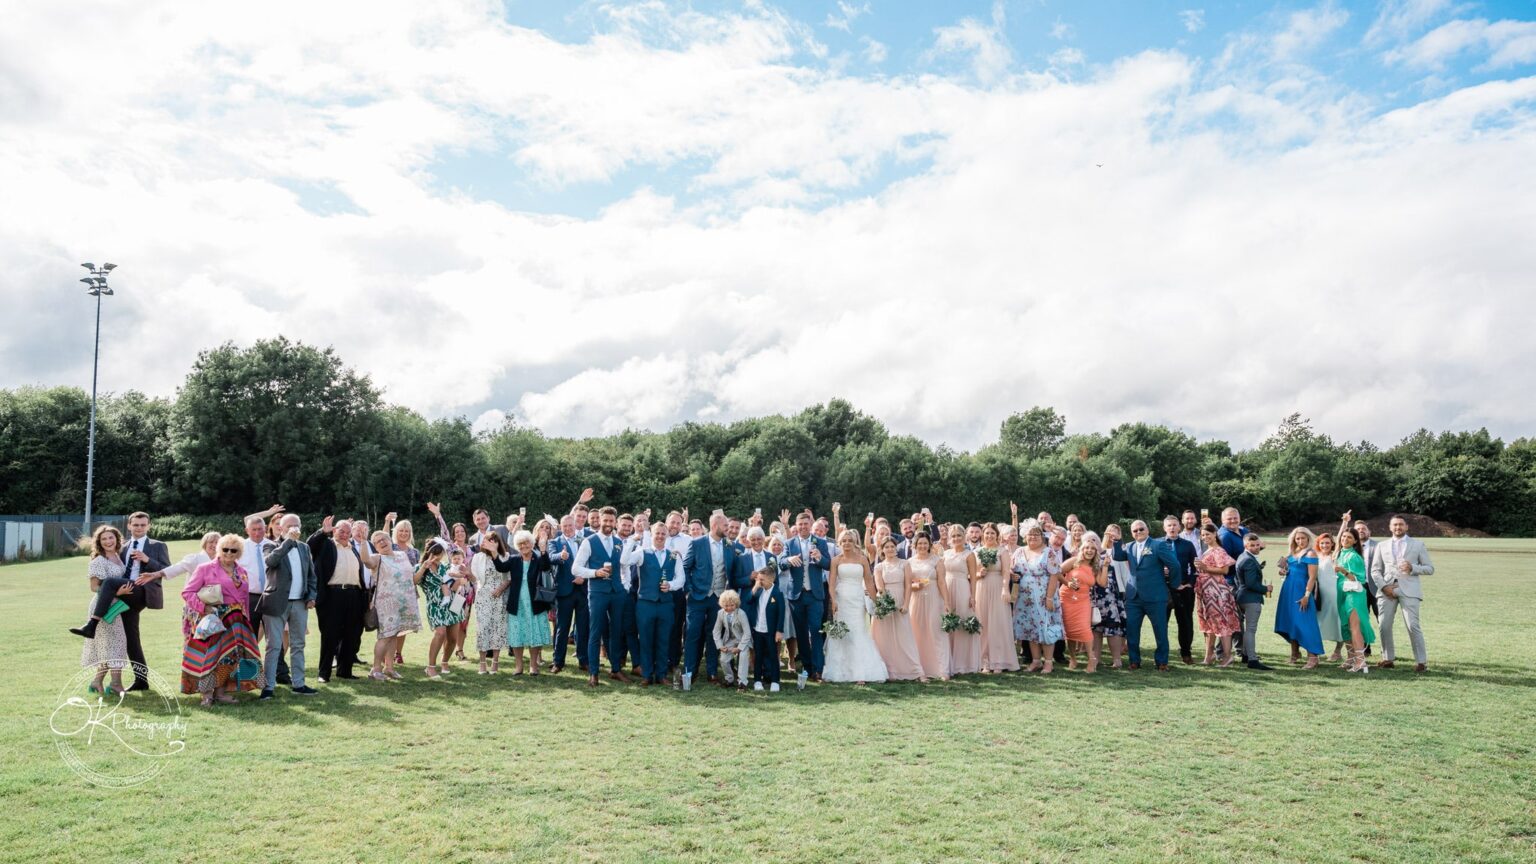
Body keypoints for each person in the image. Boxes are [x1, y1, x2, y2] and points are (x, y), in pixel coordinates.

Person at [68, 512, 172, 691]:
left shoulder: (157, 545)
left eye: (143, 525)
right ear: (129, 526)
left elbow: (167, 570)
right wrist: (117, 591)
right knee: (129, 639)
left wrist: (147, 560)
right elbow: (105, 573)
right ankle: (140, 680)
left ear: (148, 526)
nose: (139, 528)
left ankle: (91, 624)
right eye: (136, 525)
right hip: (121, 596)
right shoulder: (122, 547)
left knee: (109, 583)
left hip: (141, 590)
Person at [180, 535, 260, 706]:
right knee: (209, 657)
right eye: (225, 549)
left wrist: (246, 618)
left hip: (236, 621)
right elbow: (187, 593)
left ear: (239, 553)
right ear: (219, 549)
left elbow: (244, 598)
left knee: (229, 658)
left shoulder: (242, 572)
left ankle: (221, 693)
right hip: (212, 619)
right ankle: (207, 695)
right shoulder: (205, 568)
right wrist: (204, 608)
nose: (229, 553)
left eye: (234, 550)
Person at [257, 515, 320, 697]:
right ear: (281, 528)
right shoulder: (271, 545)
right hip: (276, 602)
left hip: (300, 602)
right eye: (289, 525)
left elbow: (311, 576)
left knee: (299, 644)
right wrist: (288, 542)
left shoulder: (304, 547)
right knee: (273, 645)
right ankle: (268, 687)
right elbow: (271, 562)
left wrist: (311, 596)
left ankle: (299, 684)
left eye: (296, 525)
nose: (293, 528)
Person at [1110, 519, 1182, 670]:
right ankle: (1134, 661)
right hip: (1133, 597)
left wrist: (1174, 585)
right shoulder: (1129, 546)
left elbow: (1174, 565)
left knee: (1160, 630)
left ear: (1147, 530)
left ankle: (1162, 662)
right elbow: (1117, 556)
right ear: (1132, 533)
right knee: (1132, 631)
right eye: (1135, 531)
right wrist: (1117, 540)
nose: (1138, 532)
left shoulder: (1158, 545)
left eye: (1141, 529)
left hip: (1155, 596)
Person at [681, 512, 739, 691]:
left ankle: (712, 672)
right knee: (692, 635)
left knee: (715, 636)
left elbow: (732, 571)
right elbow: (686, 566)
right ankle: (689, 671)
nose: (728, 530)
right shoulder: (697, 543)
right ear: (715, 526)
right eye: (725, 527)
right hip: (697, 597)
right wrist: (689, 589)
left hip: (718, 599)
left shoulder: (729, 546)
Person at [1369, 515, 1435, 672]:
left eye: (1400, 525)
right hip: (1387, 589)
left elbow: (1430, 568)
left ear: (1406, 527)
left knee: (1413, 625)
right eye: (1395, 525)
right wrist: (1384, 587)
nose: (1397, 527)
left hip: (1409, 589)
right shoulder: (1382, 546)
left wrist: (1413, 568)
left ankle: (1421, 662)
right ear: (1390, 527)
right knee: (1384, 625)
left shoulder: (1418, 544)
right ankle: (1387, 659)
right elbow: (1375, 570)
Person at [822, 529, 888, 685]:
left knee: (858, 632)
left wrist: (875, 601)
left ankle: (861, 672)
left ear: (854, 543)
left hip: (858, 599)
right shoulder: (836, 560)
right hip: (841, 599)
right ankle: (841, 671)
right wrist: (833, 601)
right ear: (839, 543)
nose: (846, 543)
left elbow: (869, 581)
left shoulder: (862, 559)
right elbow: (831, 584)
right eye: (843, 541)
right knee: (843, 634)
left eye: (849, 540)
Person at [574, 506, 630, 687]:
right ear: (598, 520)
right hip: (597, 593)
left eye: (611, 521)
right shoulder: (589, 542)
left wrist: (625, 586)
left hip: (617, 593)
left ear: (615, 522)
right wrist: (595, 572)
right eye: (605, 520)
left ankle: (615, 669)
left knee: (616, 632)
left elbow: (624, 566)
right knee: (595, 632)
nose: (607, 524)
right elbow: (575, 568)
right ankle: (594, 673)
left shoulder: (619, 542)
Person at [355, 528, 420, 682]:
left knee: (394, 635)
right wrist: (364, 542)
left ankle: (389, 668)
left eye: (384, 539)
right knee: (385, 636)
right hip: (386, 603)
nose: (382, 542)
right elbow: (365, 560)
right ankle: (375, 669)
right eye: (377, 541)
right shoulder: (377, 558)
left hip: (402, 603)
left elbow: (410, 577)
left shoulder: (402, 555)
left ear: (391, 541)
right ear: (375, 546)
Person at [623, 522, 683, 686]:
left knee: (664, 640)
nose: (660, 536)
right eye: (657, 533)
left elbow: (681, 578)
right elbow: (624, 560)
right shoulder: (642, 552)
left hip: (665, 604)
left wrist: (671, 585)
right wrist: (632, 541)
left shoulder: (673, 555)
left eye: (663, 533)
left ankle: (662, 675)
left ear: (667, 536)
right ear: (652, 534)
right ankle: (647, 675)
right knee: (646, 639)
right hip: (645, 604)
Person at [309, 517, 367, 683]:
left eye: (348, 532)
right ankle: (324, 673)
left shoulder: (353, 549)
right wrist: (323, 531)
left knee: (352, 634)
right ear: (334, 531)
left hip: (354, 594)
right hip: (332, 595)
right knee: (330, 635)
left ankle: (345, 671)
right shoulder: (326, 545)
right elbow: (310, 544)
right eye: (341, 531)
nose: (345, 535)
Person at [77, 525, 130, 696]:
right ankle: (115, 684)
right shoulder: (98, 560)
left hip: (116, 606)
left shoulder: (118, 557)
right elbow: (94, 587)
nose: (108, 541)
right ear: (99, 542)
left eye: (111, 538)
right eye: (104, 539)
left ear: (117, 539)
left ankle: (97, 682)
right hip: (102, 606)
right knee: (117, 643)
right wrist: (118, 592)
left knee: (112, 645)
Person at [784, 511, 832, 686]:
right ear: (796, 526)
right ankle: (807, 667)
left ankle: (818, 669)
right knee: (802, 634)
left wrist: (820, 558)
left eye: (806, 524)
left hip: (815, 595)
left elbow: (829, 564)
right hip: (796, 596)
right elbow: (781, 563)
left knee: (816, 632)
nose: (803, 527)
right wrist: (788, 559)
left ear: (810, 525)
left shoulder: (820, 542)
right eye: (800, 524)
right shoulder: (789, 543)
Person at [1010, 523, 1063, 674]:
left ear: (1042, 537)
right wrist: (1012, 574)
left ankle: (1048, 662)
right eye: (1030, 534)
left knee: (1045, 628)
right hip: (1024, 597)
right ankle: (1035, 661)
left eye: (1036, 534)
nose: (1033, 537)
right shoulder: (1019, 551)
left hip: (1043, 596)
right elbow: (1011, 568)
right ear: (1025, 536)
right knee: (1030, 629)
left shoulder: (1048, 552)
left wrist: (1049, 598)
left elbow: (1054, 575)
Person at [502, 530, 555, 675]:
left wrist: (543, 550)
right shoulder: (513, 559)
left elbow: (546, 567)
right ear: (517, 546)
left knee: (534, 632)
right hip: (517, 602)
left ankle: (533, 665)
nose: (524, 546)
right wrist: (494, 553)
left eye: (526, 543)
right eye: (520, 544)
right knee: (517, 634)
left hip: (535, 602)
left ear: (531, 544)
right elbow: (501, 568)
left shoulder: (538, 558)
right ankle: (519, 666)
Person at [871, 536, 924, 681]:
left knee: (904, 636)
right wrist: (885, 603)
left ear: (896, 548)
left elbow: (908, 585)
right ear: (882, 550)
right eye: (887, 547)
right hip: (885, 602)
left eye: (892, 547)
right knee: (884, 637)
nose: (890, 549)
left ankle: (914, 671)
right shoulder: (879, 567)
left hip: (901, 599)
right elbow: (880, 587)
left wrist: (906, 604)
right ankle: (887, 671)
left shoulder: (905, 564)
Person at [1274, 528, 1324, 668]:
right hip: (1288, 590)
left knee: (1305, 623)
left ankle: (1313, 657)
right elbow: (1290, 571)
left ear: (1308, 538)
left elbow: (1312, 577)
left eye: (1303, 538)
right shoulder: (1292, 553)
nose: (1300, 541)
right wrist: (1283, 571)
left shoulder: (1311, 553)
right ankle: (1294, 653)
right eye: (1297, 539)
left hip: (1301, 592)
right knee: (1291, 621)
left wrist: (1306, 595)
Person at [975, 522, 1019, 673]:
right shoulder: (977, 551)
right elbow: (971, 573)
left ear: (997, 535)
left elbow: (1006, 571)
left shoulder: (1002, 551)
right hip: (981, 587)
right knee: (983, 623)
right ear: (982, 535)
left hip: (998, 586)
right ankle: (984, 661)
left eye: (992, 533)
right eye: (987, 533)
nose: (989, 536)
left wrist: (1005, 589)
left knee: (998, 624)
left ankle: (999, 660)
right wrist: (978, 574)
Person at [1193, 525, 1240, 667]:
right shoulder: (1208, 550)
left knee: (1221, 622)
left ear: (1215, 534)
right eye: (1203, 535)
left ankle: (1227, 656)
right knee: (1209, 624)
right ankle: (1209, 656)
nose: (1205, 537)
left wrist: (1205, 568)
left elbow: (1225, 570)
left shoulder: (1219, 550)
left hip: (1217, 592)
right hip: (1206, 592)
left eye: (1208, 534)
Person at [906, 532, 950, 681]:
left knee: (936, 632)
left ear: (930, 545)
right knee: (917, 633)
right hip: (916, 600)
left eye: (925, 543)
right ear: (915, 545)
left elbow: (942, 582)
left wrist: (947, 602)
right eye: (920, 544)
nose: (922, 546)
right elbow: (906, 584)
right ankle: (919, 669)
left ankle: (941, 669)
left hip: (933, 599)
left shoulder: (937, 561)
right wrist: (914, 586)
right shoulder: (909, 562)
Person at [548, 515, 588, 674]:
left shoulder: (584, 541)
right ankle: (558, 662)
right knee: (562, 628)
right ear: (561, 527)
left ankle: (583, 660)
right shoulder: (555, 542)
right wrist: (561, 556)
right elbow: (551, 557)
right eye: (565, 526)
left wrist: (583, 577)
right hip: (564, 592)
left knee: (583, 627)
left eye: (571, 525)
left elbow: (590, 562)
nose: (568, 528)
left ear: (575, 525)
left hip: (583, 590)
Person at [1335, 522, 1375, 674]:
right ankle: (1351, 658)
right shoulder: (1340, 553)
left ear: (1355, 541)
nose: (1345, 539)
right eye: (1344, 536)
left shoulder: (1354, 556)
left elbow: (1360, 579)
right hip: (1342, 594)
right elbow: (1338, 538)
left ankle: (1361, 661)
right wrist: (1344, 522)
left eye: (1349, 537)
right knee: (1345, 626)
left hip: (1354, 595)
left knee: (1354, 628)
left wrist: (1343, 571)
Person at [941, 526, 981, 676]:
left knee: (963, 623)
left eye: (959, 535)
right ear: (950, 538)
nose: (956, 538)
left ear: (964, 537)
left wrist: (973, 596)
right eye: (954, 536)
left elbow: (974, 577)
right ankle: (949, 661)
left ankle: (964, 663)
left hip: (963, 589)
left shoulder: (969, 555)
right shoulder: (945, 554)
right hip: (947, 589)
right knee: (949, 623)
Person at [471, 532, 512, 673]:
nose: (491, 542)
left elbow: (509, 577)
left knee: (498, 629)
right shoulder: (478, 557)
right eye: (488, 540)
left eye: (494, 540)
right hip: (483, 596)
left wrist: (500, 588)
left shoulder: (505, 556)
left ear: (498, 542)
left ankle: (495, 662)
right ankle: (482, 663)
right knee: (483, 628)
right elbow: (474, 577)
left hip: (499, 597)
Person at [1160, 515, 1199, 664]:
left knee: (1185, 623)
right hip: (1164, 588)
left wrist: (1190, 583)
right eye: (1169, 525)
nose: (1172, 528)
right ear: (1164, 528)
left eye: (1174, 525)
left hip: (1184, 588)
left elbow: (1195, 567)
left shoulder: (1188, 545)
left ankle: (1186, 653)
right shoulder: (1158, 544)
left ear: (1179, 527)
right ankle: (1162, 654)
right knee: (1161, 622)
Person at [1089, 527, 1128, 670]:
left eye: (1094, 540)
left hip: (1111, 597)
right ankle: (1096, 659)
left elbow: (1123, 571)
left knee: (1113, 629)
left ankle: (1117, 660)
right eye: (1088, 541)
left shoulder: (1109, 555)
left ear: (1100, 542)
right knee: (1095, 629)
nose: (1091, 544)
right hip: (1092, 598)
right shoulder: (1084, 557)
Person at [1056, 536, 1096, 671]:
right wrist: (1068, 583)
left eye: (1092, 549)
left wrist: (1106, 566)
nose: (1089, 551)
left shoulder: (1095, 566)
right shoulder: (1074, 561)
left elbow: (1102, 582)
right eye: (1086, 548)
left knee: (1085, 629)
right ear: (1082, 550)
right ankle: (1073, 658)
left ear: (1096, 552)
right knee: (1069, 630)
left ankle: (1092, 659)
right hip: (1066, 598)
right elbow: (1056, 572)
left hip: (1083, 601)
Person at [1234, 533, 1272, 669]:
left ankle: (1245, 655)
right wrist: (1265, 588)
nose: (1256, 547)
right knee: (1250, 629)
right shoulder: (1248, 560)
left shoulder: (1242, 556)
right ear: (1245, 545)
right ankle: (1252, 660)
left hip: (1241, 597)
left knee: (1245, 629)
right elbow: (1250, 584)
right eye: (1252, 545)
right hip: (1250, 598)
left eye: (1257, 545)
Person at [747, 567, 785, 692]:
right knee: (758, 656)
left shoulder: (777, 593)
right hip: (758, 630)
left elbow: (781, 613)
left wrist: (779, 630)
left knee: (773, 656)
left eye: (762, 579)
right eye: (758, 579)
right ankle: (757, 680)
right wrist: (755, 587)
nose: (759, 581)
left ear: (771, 579)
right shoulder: (758, 591)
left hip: (771, 631)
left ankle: (775, 681)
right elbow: (748, 601)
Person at [1313, 531, 1345, 662]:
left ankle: (1337, 651)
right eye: (1322, 543)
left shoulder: (1335, 556)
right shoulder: (1315, 556)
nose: (1325, 545)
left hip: (1333, 593)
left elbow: (1340, 538)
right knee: (1317, 622)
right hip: (1318, 593)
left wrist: (1344, 523)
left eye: (1327, 542)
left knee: (1337, 621)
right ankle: (1317, 651)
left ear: (1332, 544)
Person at [712, 589, 751, 689]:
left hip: (743, 640)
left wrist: (740, 648)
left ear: (736, 604)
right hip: (730, 640)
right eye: (726, 606)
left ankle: (742, 683)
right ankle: (729, 679)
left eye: (732, 605)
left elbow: (747, 633)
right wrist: (720, 646)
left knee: (742, 656)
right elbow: (716, 631)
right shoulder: (720, 613)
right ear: (722, 605)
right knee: (723, 659)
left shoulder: (741, 614)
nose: (729, 608)